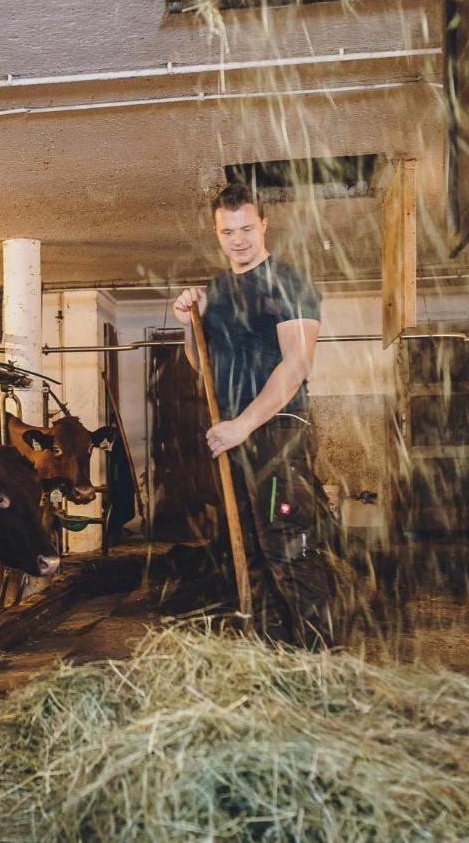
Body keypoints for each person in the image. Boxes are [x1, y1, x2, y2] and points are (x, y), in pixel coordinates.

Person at [173, 183, 335, 646]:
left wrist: (242, 425)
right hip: (233, 434)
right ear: (216, 231)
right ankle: (270, 650)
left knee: (287, 542)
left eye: (246, 228)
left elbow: (298, 363)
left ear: (264, 224)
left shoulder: (290, 281)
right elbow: (202, 366)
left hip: (279, 429)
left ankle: (318, 659)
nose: (238, 239)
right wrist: (191, 325)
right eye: (227, 231)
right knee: (246, 545)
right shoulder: (216, 291)